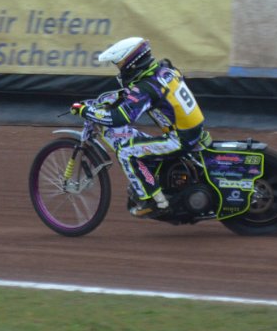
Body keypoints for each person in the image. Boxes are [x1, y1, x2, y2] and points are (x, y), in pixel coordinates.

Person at [70, 36, 211, 217]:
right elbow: (145, 95)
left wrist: (84, 111)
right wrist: (122, 97)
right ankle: (154, 178)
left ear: (132, 64)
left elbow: (119, 118)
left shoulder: (146, 88)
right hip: (195, 131)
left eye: (120, 65)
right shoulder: (166, 70)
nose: (120, 71)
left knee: (125, 151)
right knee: (136, 141)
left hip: (180, 139)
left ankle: (154, 201)